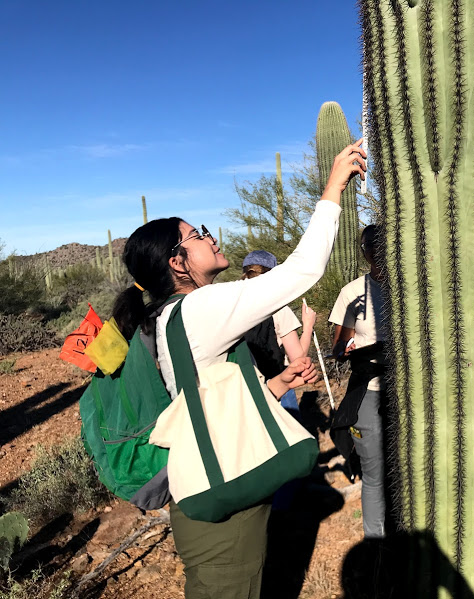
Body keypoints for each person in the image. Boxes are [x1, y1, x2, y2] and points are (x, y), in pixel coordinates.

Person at [110, 140, 366, 599]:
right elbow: (302, 271)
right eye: (198, 235)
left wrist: (277, 383)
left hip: (209, 494)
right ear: (177, 263)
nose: (211, 237)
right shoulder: (202, 306)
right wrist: (334, 186)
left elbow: (207, 401)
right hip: (220, 512)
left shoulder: (170, 318)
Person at [329, 224, 388, 539]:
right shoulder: (352, 293)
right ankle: (376, 546)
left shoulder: (414, 289)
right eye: (370, 247)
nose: (377, 252)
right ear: (364, 252)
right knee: (375, 471)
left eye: (382, 246)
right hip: (369, 388)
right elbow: (339, 347)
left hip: (409, 392)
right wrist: (346, 350)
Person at [241, 249, 317, 418]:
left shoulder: (231, 303)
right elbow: (298, 358)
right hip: (277, 385)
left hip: (241, 389)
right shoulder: (279, 309)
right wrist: (308, 326)